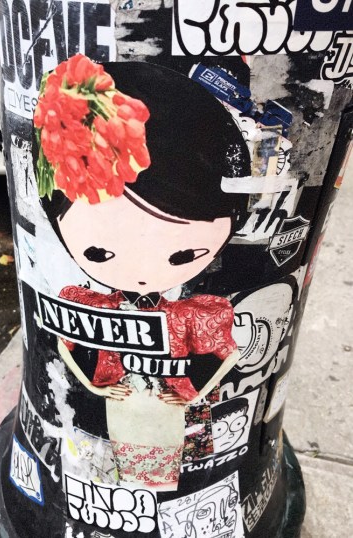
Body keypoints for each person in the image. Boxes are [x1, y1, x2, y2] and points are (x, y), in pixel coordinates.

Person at [34, 56, 251, 490]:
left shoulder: (192, 314)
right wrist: (97, 388)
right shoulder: (92, 305)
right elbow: (67, 344)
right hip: (119, 407)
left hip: (171, 412)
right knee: (115, 462)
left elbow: (225, 353)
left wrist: (193, 392)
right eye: (99, 252)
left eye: (183, 254)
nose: (142, 272)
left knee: (174, 474)